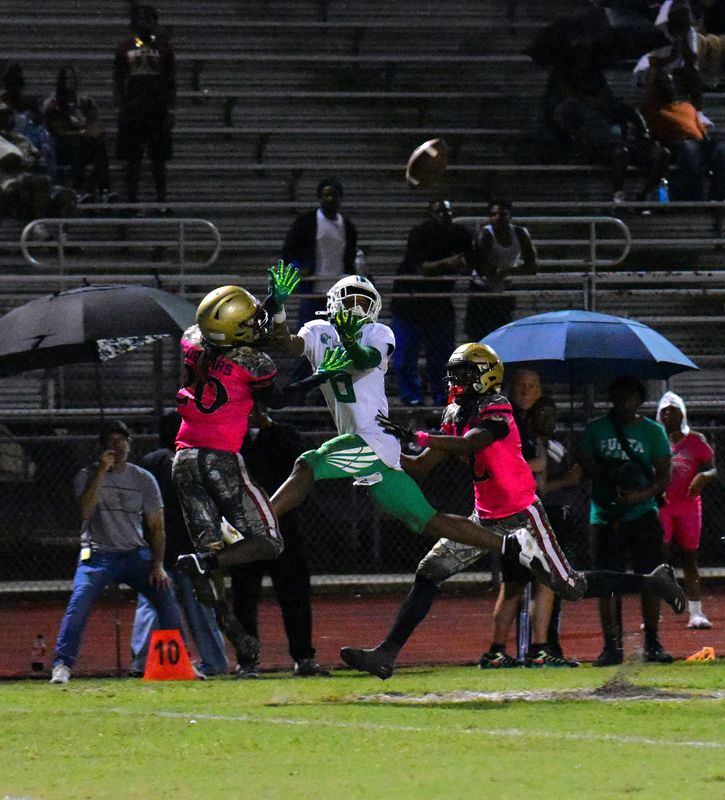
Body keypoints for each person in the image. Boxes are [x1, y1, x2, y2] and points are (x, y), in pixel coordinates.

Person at [338, 344, 685, 680]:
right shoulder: (454, 412)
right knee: (430, 571)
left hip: (522, 515)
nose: (455, 381)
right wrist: (382, 450)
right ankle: (386, 654)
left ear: (486, 376)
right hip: (485, 518)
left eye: (463, 373)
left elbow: (474, 443)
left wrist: (419, 435)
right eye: (454, 374)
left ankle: (652, 581)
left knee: (571, 586)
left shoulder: (497, 405)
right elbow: (420, 467)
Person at [269, 279, 574, 589]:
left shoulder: (378, 333)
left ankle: (263, 521)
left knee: (307, 464)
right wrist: (278, 307)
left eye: (364, 302)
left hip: (371, 439)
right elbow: (286, 344)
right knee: (426, 520)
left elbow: (365, 360)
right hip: (369, 446)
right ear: (335, 302)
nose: (357, 308)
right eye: (351, 301)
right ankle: (513, 544)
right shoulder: (319, 330)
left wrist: (348, 338)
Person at [172, 267, 310, 670]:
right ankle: (208, 564)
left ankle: (228, 622)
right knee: (269, 541)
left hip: (184, 459)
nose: (254, 326)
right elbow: (277, 400)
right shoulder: (254, 362)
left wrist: (272, 305)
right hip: (220, 460)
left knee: (207, 547)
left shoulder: (192, 340)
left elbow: (232, 331)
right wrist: (321, 376)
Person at [49, 419, 183, 684]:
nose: (117, 446)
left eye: (122, 440)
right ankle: (62, 664)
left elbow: (157, 526)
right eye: (111, 442)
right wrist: (100, 472)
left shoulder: (144, 479)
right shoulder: (87, 475)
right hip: (97, 554)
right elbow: (85, 512)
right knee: (79, 603)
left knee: (166, 593)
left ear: (130, 445)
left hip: (135, 554)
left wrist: (157, 565)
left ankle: (177, 660)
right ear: (101, 447)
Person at [577, 375, 675, 666]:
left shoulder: (653, 432)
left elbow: (663, 477)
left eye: (632, 397)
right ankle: (611, 645)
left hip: (641, 513)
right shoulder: (596, 429)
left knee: (650, 578)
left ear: (639, 400)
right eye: (620, 397)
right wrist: (607, 474)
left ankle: (652, 642)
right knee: (606, 581)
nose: (625, 402)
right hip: (604, 514)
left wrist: (638, 495)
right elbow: (582, 457)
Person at [231, 404, 329, 678]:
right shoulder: (232, 439)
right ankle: (247, 661)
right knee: (244, 598)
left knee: (295, 595)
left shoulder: (284, 434)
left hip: (283, 528)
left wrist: (268, 426)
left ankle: (304, 657)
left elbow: (298, 465)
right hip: (245, 531)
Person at [130, 411, 228, 677]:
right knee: (200, 607)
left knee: (151, 602)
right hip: (191, 543)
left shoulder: (151, 462)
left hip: (159, 544)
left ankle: (141, 661)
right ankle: (215, 660)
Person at [391, 198, 473, 406]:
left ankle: (442, 399)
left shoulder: (460, 234)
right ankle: (413, 399)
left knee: (441, 358)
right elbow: (421, 268)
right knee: (406, 359)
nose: (444, 215)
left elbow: (471, 261)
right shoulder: (420, 234)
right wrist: (448, 264)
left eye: (447, 211)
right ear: (430, 215)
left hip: (439, 304)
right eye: (439, 211)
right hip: (410, 303)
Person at [656, 390, 717, 629]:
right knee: (659, 560)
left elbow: (712, 468)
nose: (669, 414)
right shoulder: (656, 438)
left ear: (682, 412)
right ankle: (655, 613)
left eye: (674, 410)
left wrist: (703, 476)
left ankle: (696, 612)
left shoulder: (695, 439)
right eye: (665, 411)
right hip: (663, 506)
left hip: (689, 506)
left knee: (690, 557)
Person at [114, 4, 175, 204]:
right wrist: (121, 107)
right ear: (134, 23)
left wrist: (170, 109)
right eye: (142, 19)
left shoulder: (164, 48)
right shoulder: (125, 48)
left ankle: (161, 201)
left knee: (158, 160)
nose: (146, 24)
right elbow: (118, 79)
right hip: (133, 110)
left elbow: (171, 81)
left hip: (157, 111)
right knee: (133, 160)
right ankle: (132, 200)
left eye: (150, 19)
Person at [281, 176, 358, 327]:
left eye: (334, 195)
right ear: (319, 197)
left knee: (336, 335)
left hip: (338, 290)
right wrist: (298, 269)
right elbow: (288, 250)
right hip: (313, 288)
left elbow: (350, 254)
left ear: (340, 198)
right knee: (309, 332)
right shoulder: (306, 222)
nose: (330, 199)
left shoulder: (348, 226)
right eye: (326, 195)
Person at [642, 67, 725, 201]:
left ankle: (718, 197)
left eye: (670, 83)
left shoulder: (687, 107)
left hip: (698, 143)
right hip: (676, 144)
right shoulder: (651, 109)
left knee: (722, 150)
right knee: (690, 149)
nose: (669, 86)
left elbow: (702, 132)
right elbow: (653, 133)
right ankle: (693, 199)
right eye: (664, 83)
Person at [464, 201, 537, 342]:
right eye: (493, 215)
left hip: (505, 287)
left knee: (503, 331)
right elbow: (481, 268)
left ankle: (502, 360)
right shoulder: (485, 234)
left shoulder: (520, 233)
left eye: (502, 214)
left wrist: (508, 270)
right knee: (478, 333)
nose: (497, 218)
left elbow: (532, 266)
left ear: (510, 217)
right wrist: (499, 272)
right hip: (482, 288)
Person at [43, 65, 113, 203]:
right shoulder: (53, 103)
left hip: (85, 143)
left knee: (99, 146)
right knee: (78, 145)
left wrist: (96, 131)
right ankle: (77, 189)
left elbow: (94, 122)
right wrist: (81, 133)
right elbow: (58, 131)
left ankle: (103, 189)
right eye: (68, 78)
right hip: (62, 146)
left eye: (74, 78)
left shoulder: (86, 102)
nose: (72, 81)